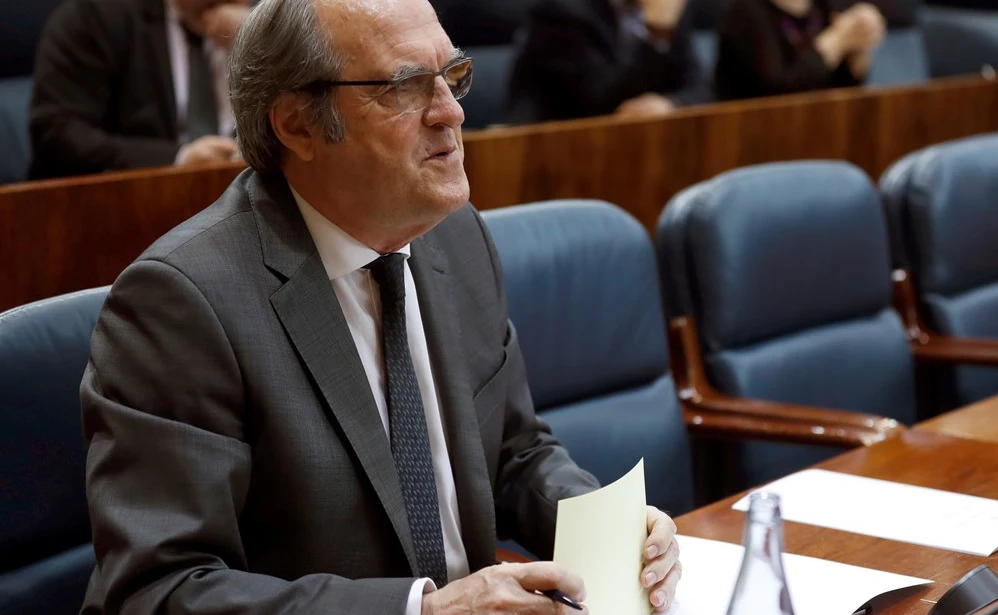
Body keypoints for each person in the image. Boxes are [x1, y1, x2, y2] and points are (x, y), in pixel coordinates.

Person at [79, 0, 682, 613]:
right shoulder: (182, 303)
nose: (452, 112)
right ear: (297, 125)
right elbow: (158, 589)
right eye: (404, 87)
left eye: (453, 77)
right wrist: (423, 610)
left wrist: (614, 532)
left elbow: (514, 453)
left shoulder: (455, 236)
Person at [28, 0, 250, 180]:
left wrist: (257, 42)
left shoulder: (258, 20)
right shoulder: (96, 16)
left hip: (240, 196)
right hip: (124, 203)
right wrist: (179, 159)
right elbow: (58, 132)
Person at [503, 0, 710, 124]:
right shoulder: (562, 8)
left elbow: (700, 87)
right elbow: (597, 99)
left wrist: (671, 103)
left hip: (637, 146)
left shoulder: (667, 7)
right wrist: (655, 34)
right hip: (549, 149)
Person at [715, 0, 886, 100]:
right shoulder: (745, 14)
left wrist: (857, 54)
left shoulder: (823, 7)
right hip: (754, 140)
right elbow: (779, 94)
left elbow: (838, 92)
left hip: (821, 131)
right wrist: (835, 41)